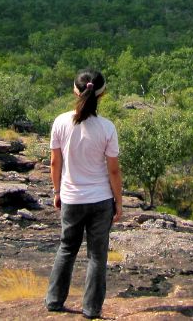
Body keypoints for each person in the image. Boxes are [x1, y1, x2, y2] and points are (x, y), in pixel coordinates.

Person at [44, 69, 122, 319]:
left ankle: (54, 301)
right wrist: (118, 202)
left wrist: (57, 191)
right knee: (97, 256)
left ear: (75, 91)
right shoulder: (107, 127)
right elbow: (114, 170)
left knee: (67, 248)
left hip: (71, 197)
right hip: (100, 200)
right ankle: (91, 309)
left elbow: (55, 163)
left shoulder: (60, 122)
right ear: (103, 94)